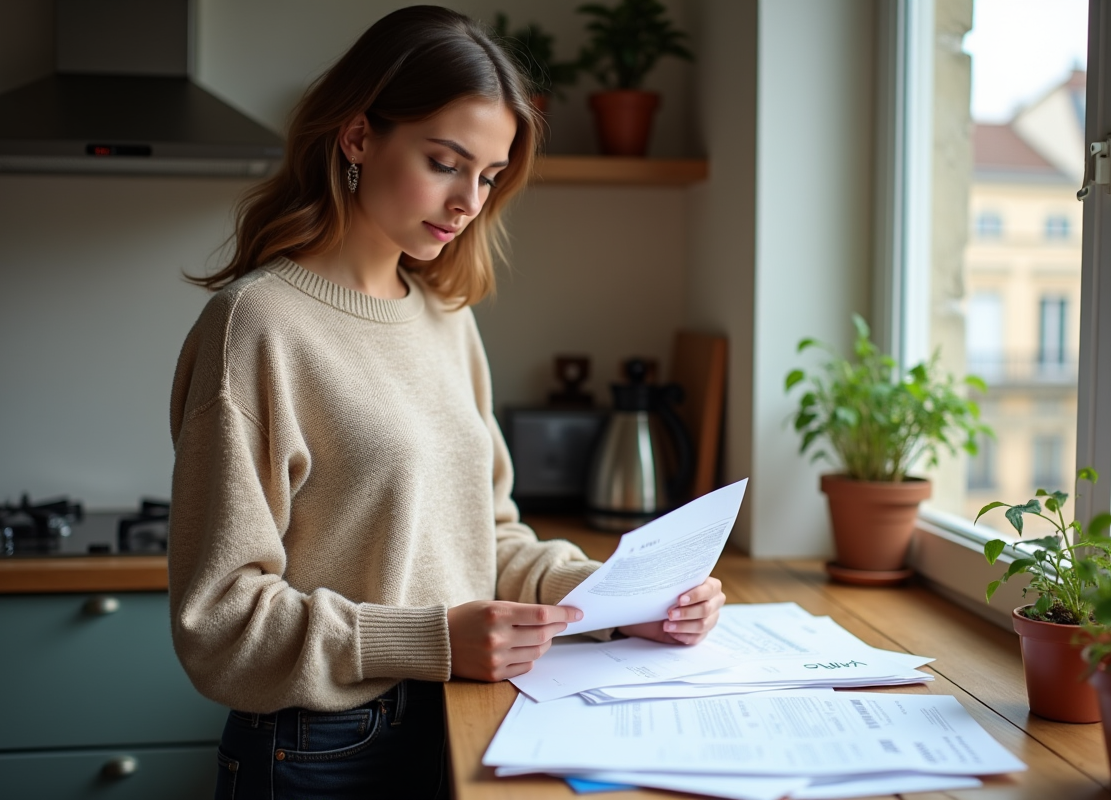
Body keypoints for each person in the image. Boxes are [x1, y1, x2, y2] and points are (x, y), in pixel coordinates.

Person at [168, 6, 725, 799]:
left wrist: (620, 600)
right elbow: (220, 626)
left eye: (489, 176)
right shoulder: (256, 326)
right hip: (319, 753)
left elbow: (486, 540)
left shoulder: (444, 317)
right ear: (357, 138)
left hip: (461, 717)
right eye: (445, 163)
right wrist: (433, 640)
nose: (469, 201)